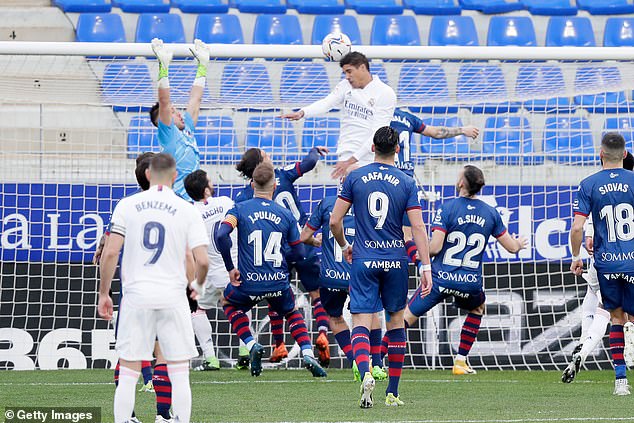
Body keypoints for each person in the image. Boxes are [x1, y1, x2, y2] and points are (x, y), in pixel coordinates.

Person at [98, 153, 210, 423]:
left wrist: (104, 293)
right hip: (172, 297)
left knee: (128, 368)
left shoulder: (127, 205)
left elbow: (111, 252)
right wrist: (196, 285)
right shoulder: (186, 209)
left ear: (147, 175)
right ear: (175, 176)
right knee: (179, 369)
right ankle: (171, 418)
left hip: (136, 297)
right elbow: (199, 260)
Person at [329, 126, 433, 408]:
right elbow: (418, 226)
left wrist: (343, 246)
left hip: (364, 259)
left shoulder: (355, 177)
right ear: (397, 150)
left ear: (372, 148)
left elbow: (335, 222)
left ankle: (365, 374)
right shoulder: (407, 181)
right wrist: (425, 267)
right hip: (396, 259)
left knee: (361, 321)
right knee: (396, 322)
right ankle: (393, 393)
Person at [403, 165, 527, 376]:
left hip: (440, 279)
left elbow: (434, 249)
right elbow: (512, 248)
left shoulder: (448, 208)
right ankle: (460, 362)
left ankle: (375, 359)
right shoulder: (491, 213)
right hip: (469, 282)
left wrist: (412, 245)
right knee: (478, 309)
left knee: (405, 319)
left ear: (461, 183)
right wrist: (519, 243)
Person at [215, 161, 327, 378]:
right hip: (277, 282)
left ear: (251, 183)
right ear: (275, 186)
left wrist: (230, 268)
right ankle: (307, 353)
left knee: (227, 302)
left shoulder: (238, 209)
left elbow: (221, 235)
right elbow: (298, 253)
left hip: (248, 283)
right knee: (291, 312)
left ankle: (251, 344)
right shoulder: (286, 215)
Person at [94, 152, 175, 423]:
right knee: (164, 353)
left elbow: (110, 245)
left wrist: (104, 291)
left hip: (135, 290)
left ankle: (127, 416)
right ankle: (164, 416)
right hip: (165, 288)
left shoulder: (127, 206)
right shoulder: (175, 206)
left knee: (128, 354)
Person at [571, 132, 634, 396]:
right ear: (624, 155)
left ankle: (620, 380)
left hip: (606, 263)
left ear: (600, 154)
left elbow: (577, 227)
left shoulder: (588, 183)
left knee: (615, 318)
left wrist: (576, 257)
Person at [301, 192, 387, 382]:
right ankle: (378, 363)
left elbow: (304, 235)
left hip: (330, 277)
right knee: (370, 314)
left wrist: (317, 242)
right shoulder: (371, 205)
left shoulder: (327, 203)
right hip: (358, 274)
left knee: (335, 317)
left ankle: (355, 360)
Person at [281, 52, 396, 179]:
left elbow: (378, 133)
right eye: (345, 73)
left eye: (349, 71)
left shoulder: (385, 93)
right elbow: (327, 103)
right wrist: (302, 112)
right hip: (347, 152)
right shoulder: (345, 86)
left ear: (362, 68)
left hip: (372, 156)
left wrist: (352, 161)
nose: (347, 76)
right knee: (349, 192)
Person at [184, 169, 252, 371]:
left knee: (197, 310)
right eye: (210, 181)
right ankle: (245, 351)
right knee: (241, 308)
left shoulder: (190, 213)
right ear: (206, 190)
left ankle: (210, 358)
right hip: (235, 269)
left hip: (209, 273)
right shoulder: (225, 202)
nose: (213, 182)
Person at [149, 38, 209, 201]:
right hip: (178, 201)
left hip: (196, 201)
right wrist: (164, 67)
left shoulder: (187, 129)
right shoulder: (168, 135)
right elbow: (164, 102)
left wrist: (202, 66)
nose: (180, 113)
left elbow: (195, 100)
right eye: (173, 112)